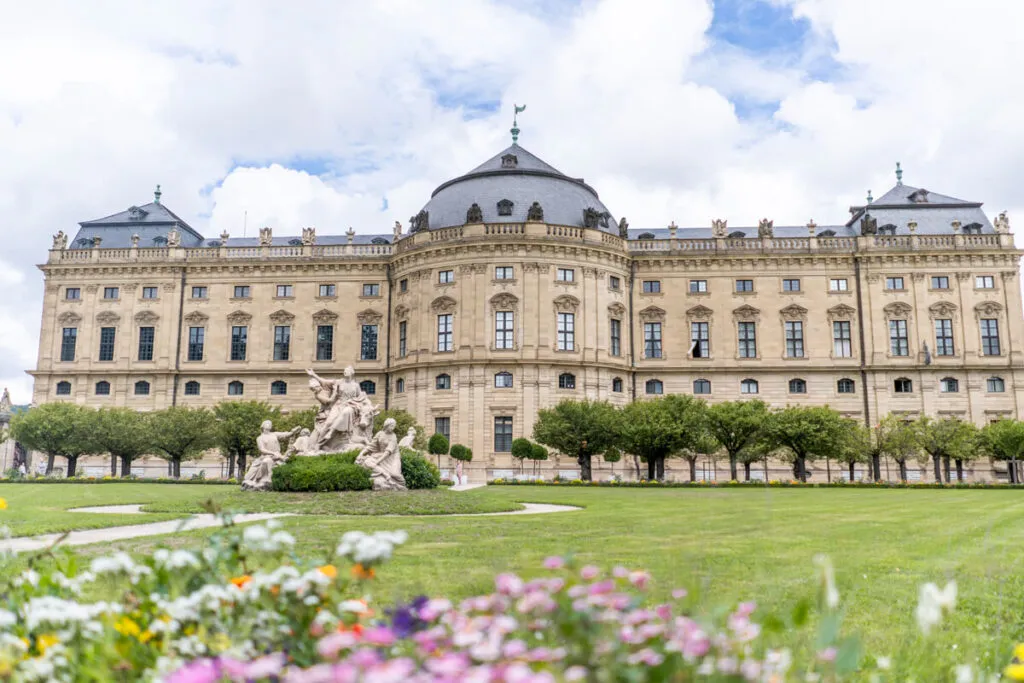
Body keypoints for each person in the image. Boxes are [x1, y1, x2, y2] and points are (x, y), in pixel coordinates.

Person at [242, 421, 301, 491]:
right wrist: (272, 453)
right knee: (248, 476)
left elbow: (285, 434)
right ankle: (257, 480)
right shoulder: (260, 438)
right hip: (266, 456)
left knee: (267, 461)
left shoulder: (274, 434)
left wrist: (293, 432)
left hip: (277, 456)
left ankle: (268, 479)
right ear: (263, 426)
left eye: (270, 424)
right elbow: (262, 449)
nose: (270, 424)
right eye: (267, 423)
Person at [355, 418, 406, 491]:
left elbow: (388, 452)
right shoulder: (379, 434)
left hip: (392, 457)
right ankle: (385, 476)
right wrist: (360, 454)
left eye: (394, 426)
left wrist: (377, 461)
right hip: (381, 455)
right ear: (386, 425)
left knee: (394, 474)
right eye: (391, 426)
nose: (392, 428)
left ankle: (400, 486)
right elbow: (371, 446)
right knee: (367, 462)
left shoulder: (393, 437)